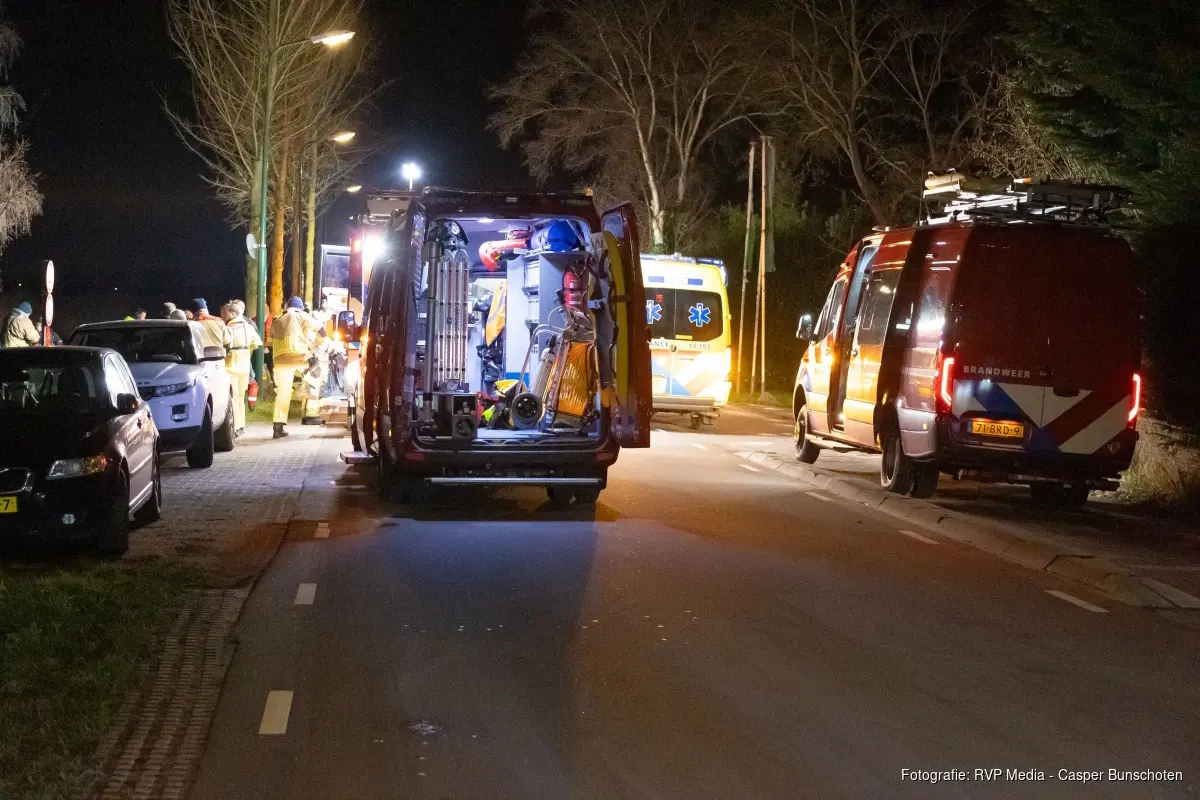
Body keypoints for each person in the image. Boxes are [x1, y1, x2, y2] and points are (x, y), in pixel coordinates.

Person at [269, 296, 325, 438]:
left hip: (280, 359)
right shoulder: (301, 315)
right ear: (300, 307)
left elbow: (270, 340)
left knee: (282, 392)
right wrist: (319, 344)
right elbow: (320, 329)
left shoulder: (277, 320)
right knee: (315, 379)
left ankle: (278, 426)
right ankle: (311, 414)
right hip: (299, 356)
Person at [224, 299, 261, 438]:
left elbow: (225, 344)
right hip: (245, 367)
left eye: (227, 313)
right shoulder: (249, 327)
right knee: (240, 397)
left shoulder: (229, 328)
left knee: (233, 397)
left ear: (233, 313)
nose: (225, 316)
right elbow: (256, 343)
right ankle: (241, 425)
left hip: (231, 366)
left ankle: (234, 427)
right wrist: (247, 352)